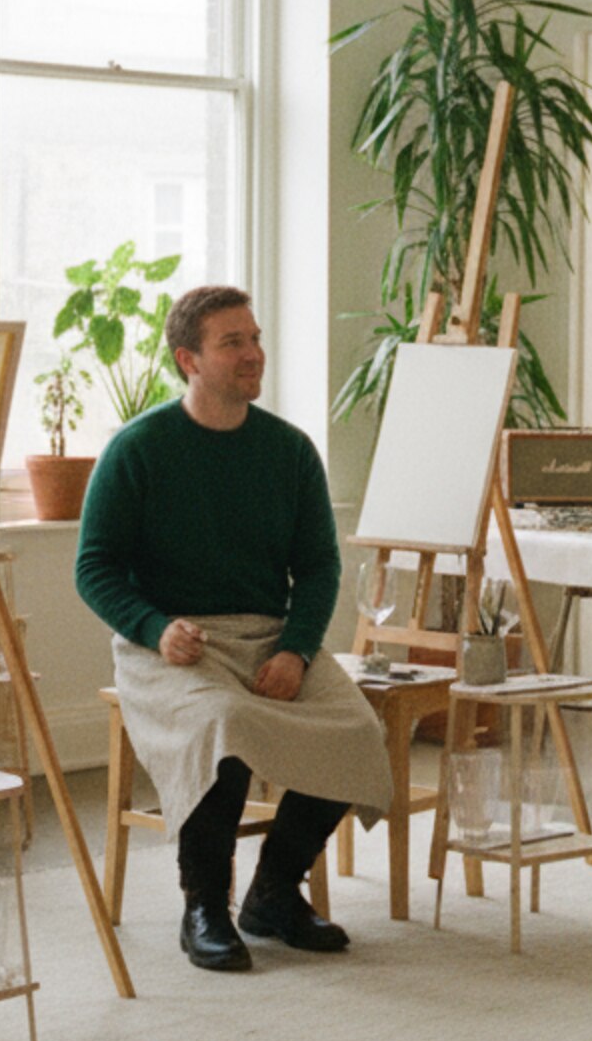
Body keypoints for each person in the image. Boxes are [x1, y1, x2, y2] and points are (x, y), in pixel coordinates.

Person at [76, 285, 392, 972]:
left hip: (268, 635)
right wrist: (155, 627)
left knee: (360, 731)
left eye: (254, 338)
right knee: (221, 726)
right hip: (169, 645)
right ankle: (205, 909)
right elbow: (95, 568)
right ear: (189, 359)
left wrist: (297, 650)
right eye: (233, 343)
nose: (254, 354)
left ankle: (274, 892)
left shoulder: (290, 452)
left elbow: (317, 568)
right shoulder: (137, 450)